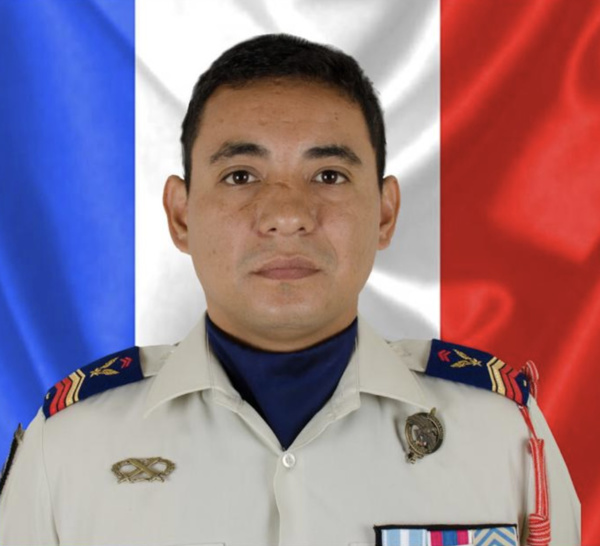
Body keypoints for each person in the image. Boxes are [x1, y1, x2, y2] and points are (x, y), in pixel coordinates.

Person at [0, 34, 579, 546]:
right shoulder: (71, 447)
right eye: (240, 176)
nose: (286, 215)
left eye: (328, 175)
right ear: (181, 215)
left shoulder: (502, 436)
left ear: (384, 213)